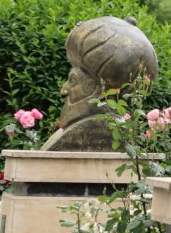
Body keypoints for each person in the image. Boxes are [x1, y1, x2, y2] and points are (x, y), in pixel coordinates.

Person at [42, 17, 158, 152]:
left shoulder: (96, 132)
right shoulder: (75, 129)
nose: (64, 90)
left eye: (73, 80)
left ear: (97, 89)